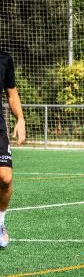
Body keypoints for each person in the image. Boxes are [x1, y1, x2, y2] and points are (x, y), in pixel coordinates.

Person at [0, 50, 27, 249]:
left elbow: (12, 93)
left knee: (5, 178)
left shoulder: (4, 59)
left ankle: (0, 222)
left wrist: (21, 119)